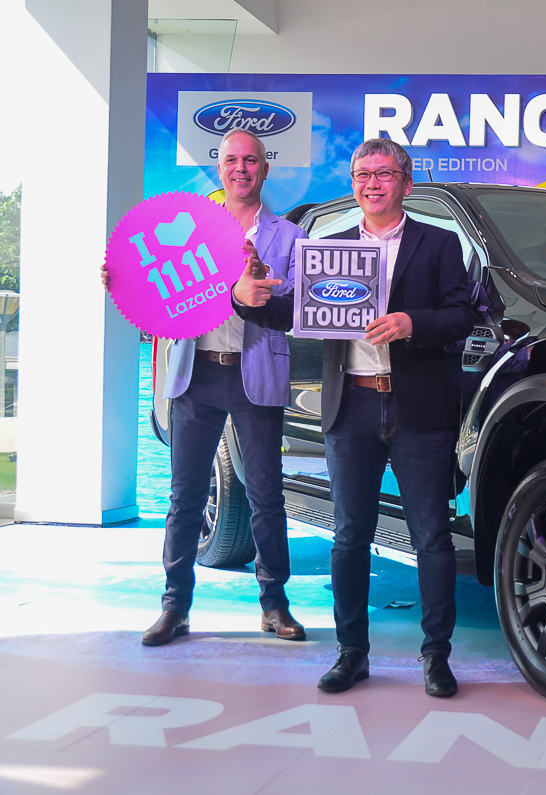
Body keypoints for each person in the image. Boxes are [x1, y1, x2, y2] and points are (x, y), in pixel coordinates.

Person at [233, 138, 474, 697]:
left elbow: (462, 315)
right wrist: (247, 298)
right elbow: (293, 311)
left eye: (384, 174)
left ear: (406, 183)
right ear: (353, 183)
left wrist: (412, 323)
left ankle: (436, 656)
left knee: (432, 537)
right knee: (349, 538)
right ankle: (352, 653)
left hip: (419, 408)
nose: (372, 183)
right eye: (363, 174)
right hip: (352, 406)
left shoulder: (439, 244)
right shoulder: (327, 249)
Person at [105, 128, 308, 646]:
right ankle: (175, 607)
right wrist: (124, 280)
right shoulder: (190, 229)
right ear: (220, 168)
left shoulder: (290, 237)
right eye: (232, 160)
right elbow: (159, 293)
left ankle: (274, 605)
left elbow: (297, 310)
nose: (241, 168)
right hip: (195, 374)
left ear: (265, 168)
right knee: (185, 497)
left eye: (251, 160)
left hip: (256, 374)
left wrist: (263, 289)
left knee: (266, 496)